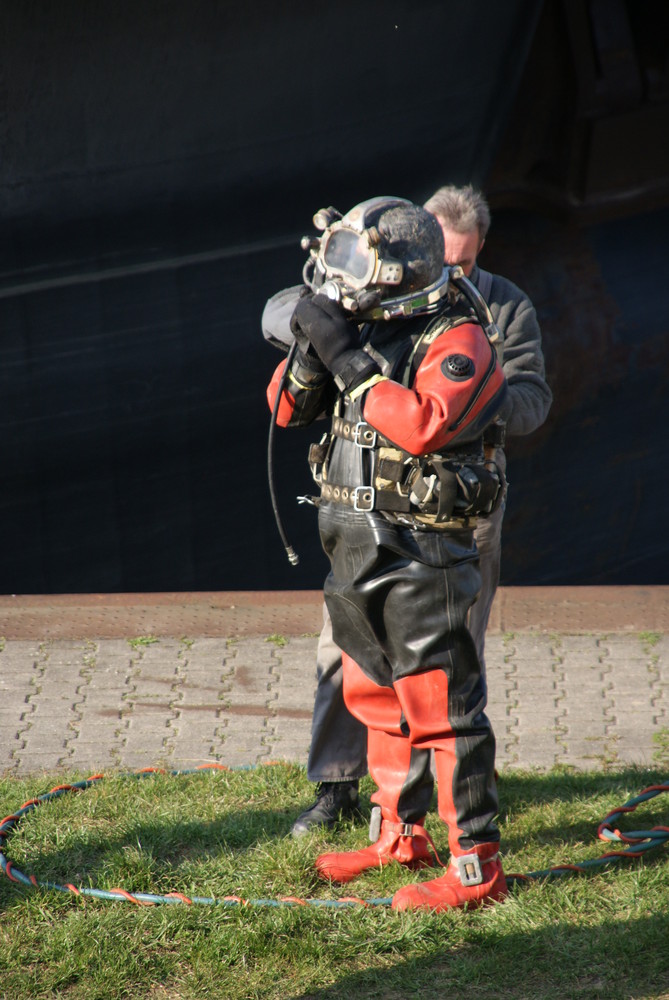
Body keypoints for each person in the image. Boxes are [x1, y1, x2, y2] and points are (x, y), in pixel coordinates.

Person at [262, 184, 553, 837]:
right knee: (353, 667)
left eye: (464, 263)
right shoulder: (367, 309)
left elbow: (473, 413)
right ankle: (356, 802)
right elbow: (284, 408)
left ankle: (467, 838)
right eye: (441, 262)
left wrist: (477, 398)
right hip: (359, 527)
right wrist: (315, 344)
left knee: (443, 681)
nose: (452, 274)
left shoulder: (491, 312)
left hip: (443, 524)